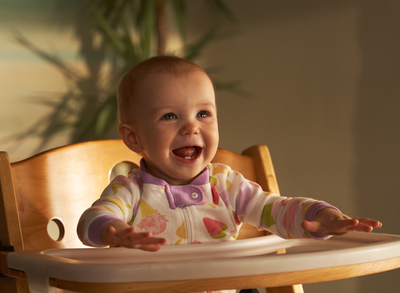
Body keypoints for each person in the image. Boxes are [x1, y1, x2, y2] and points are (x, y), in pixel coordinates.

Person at [77, 55, 382, 253]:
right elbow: (92, 219)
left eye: (203, 114)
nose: (190, 127)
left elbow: (275, 210)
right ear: (133, 137)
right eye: (169, 116)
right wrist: (114, 231)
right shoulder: (130, 191)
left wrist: (319, 216)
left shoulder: (227, 186)